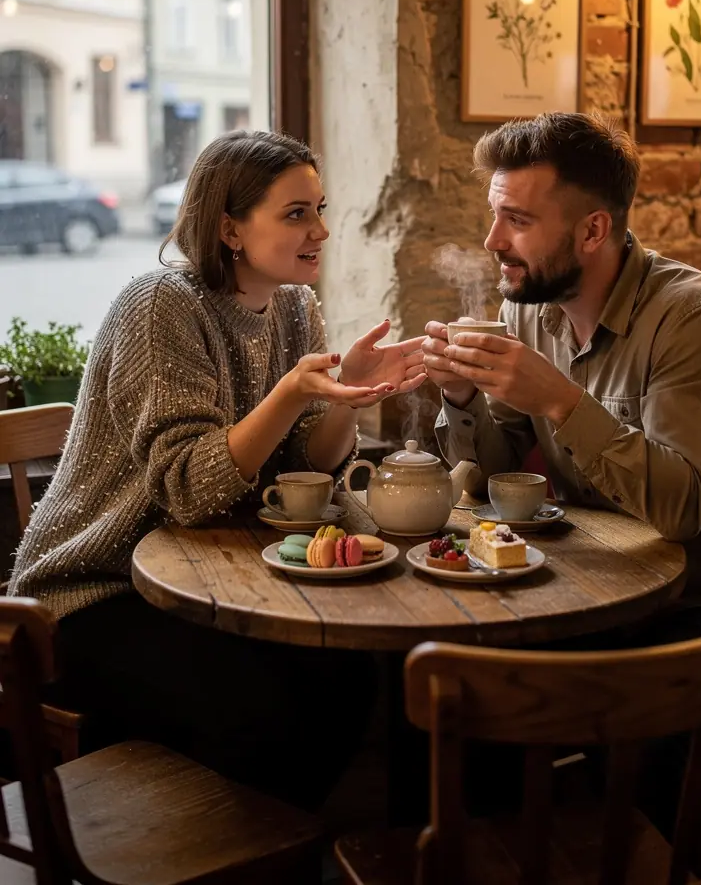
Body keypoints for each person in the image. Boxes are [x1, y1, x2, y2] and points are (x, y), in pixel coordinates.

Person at [10, 128, 426, 807]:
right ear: (230, 229)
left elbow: (301, 468)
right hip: (92, 595)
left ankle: (278, 849)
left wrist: (350, 394)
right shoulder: (160, 306)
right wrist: (293, 391)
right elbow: (187, 490)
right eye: (296, 213)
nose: (319, 229)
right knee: (261, 710)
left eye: (320, 208)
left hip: (202, 579)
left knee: (350, 680)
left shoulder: (295, 304)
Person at [423, 112, 701, 667]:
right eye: (494, 215)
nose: (492, 240)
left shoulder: (695, 317)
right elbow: (487, 476)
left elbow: (683, 510)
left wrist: (559, 399)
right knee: (450, 661)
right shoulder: (526, 308)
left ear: (593, 230)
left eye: (518, 220)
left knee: (501, 684)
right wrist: (461, 396)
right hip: (599, 586)